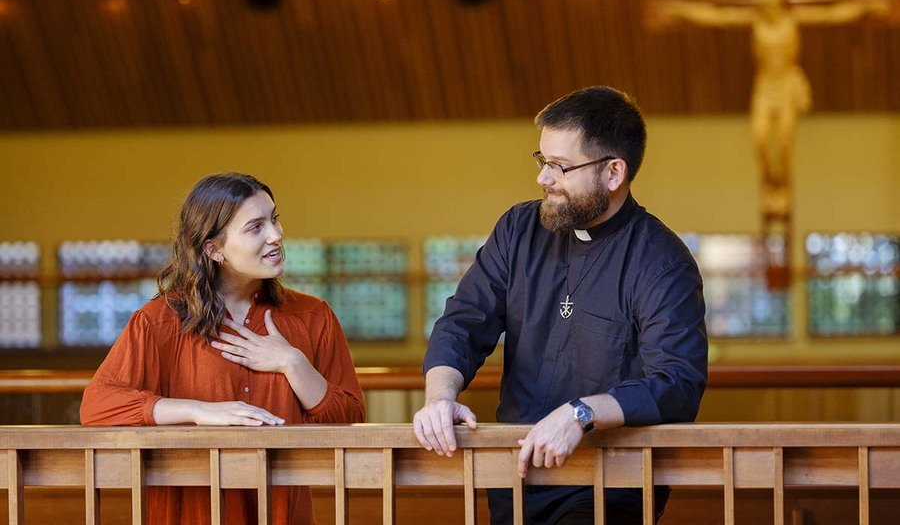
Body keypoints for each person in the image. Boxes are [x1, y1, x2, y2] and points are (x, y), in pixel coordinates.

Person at [413, 86, 708, 524]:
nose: (543, 178)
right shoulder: (518, 229)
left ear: (613, 173)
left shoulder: (662, 261)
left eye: (561, 167)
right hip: (515, 474)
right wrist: (439, 398)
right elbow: (464, 321)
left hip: (609, 483)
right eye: (542, 161)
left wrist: (582, 413)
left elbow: (678, 382)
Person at [81, 172, 365, 525]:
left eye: (274, 220)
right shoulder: (158, 321)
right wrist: (198, 411)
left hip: (281, 513)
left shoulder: (313, 316)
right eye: (255, 227)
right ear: (213, 249)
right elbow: (97, 404)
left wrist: (293, 364)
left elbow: (351, 417)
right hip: (190, 513)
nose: (276, 236)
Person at [652, 0, 890, 219]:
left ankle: (783, 188)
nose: (764, 1)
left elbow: (833, 14)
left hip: (787, 85)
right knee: (761, 141)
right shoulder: (755, 20)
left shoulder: (793, 19)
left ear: (778, 0)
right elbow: (715, 15)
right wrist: (679, 9)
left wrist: (866, 5)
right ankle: (769, 184)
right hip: (765, 88)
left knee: (785, 143)